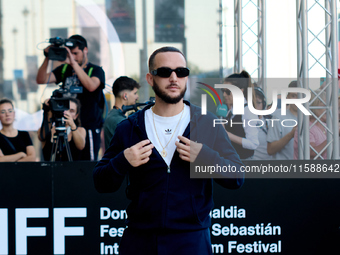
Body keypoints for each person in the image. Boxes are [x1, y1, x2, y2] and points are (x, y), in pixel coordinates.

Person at [93, 46, 244, 255]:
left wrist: (204, 157)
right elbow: (100, 181)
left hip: (192, 241)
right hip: (140, 241)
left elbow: (236, 177)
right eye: (164, 72)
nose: (174, 78)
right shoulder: (129, 127)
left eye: (181, 72)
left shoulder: (208, 123)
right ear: (150, 78)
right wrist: (123, 161)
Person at [36, 34, 105, 161]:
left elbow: (91, 86)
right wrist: (48, 57)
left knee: (87, 163)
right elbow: (41, 79)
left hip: (88, 126)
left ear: (85, 50)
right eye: (70, 54)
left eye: (75, 53)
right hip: (66, 125)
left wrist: (73, 64)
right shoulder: (64, 70)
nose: (72, 57)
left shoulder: (95, 70)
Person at [222, 70, 259, 159]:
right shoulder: (231, 111)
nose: (224, 94)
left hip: (245, 164)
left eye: (228, 91)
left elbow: (253, 144)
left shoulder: (248, 111)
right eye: (223, 90)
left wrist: (227, 134)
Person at [104, 76, 140, 149]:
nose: (137, 97)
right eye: (135, 93)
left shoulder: (115, 116)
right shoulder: (116, 119)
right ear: (125, 96)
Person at [267, 81, 298, 159]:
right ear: (288, 97)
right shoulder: (278, 117)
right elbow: (270, 150)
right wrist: (291, 134)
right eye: (293, 96)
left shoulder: (311, 118)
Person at [294, 89, 328, 159]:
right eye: (324, 105)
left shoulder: (326, 126)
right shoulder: (305, 128)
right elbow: (311, 153)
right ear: (313, 106)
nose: (327, 109)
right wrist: (332, 138)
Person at [253, 86, 273, 160]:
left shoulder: (271, 120)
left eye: (258, 103)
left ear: (263, 104)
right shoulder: (242, 122)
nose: (254, 106)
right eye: (252, 103)